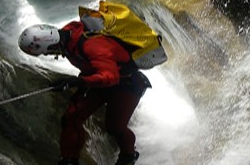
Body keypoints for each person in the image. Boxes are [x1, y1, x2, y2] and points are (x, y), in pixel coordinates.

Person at [18, 22, 151, 165]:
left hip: (127, 83)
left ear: (50, 44)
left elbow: (111, 77)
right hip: (98, 79)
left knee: (115, 127)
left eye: (46, 51)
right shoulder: (66, 38)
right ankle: (69, 160)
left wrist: (78, 82)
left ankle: (128, 157)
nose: (47, 54)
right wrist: (79, 85)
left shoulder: (90, 45)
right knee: (71, 117)